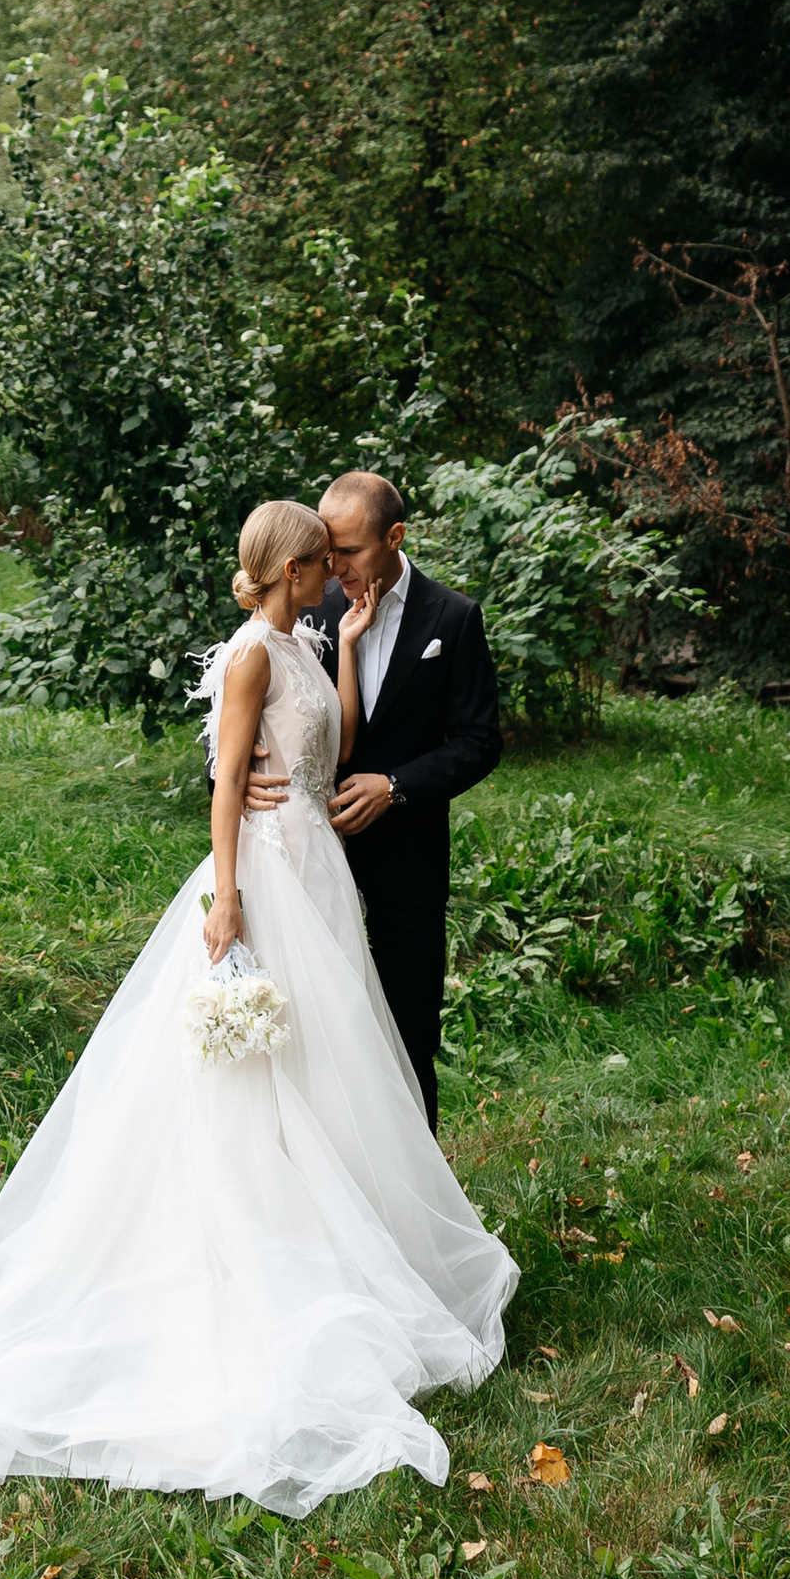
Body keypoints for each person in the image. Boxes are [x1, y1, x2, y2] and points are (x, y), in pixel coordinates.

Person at [0, 499, 516, 1515]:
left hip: (322, 875)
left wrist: (338, 649)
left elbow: (331, 740)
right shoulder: (250, 653)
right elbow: (222, 778)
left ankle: (355, 1252)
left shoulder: (306, 638)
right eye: (321, 563)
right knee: (257, 1082)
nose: (335, 573)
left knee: (336, 1064)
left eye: (344, 559)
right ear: (293, 566)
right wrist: (228, 896)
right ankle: (255, 1260)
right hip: (266, 875)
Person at [258, 469, 503, 1130]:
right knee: (309, 1025)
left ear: (394, 538)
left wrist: (396, 787)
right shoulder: (311, 602)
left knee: (407, 1027)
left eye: (350, 551)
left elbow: (480, 741)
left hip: (409, 860)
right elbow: (245, 684)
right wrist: (230, 770)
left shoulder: (452, 619)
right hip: (307, 856)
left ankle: (416, 1202)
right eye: (326, 550)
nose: (332, 564)